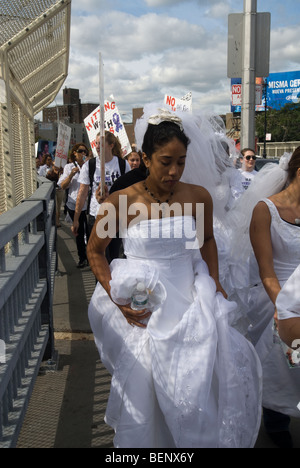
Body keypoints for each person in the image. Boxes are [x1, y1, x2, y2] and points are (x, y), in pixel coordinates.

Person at [86, 105, 262, 448]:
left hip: (190, 299)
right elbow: (95, 251)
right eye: (166, 161)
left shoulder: (197, 197)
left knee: (197, 385)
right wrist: (116, 297)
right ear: (146, 158)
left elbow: (207, 240)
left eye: (180, 161)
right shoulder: (120, 202)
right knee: (148, 388)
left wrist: (215, 283)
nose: (174, 170)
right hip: (145, 308)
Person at [248, 147, 300, 448]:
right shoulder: (265, 210)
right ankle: (276, 418)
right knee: (282, 366)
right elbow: (266, 271)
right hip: (277, 299)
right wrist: (286, 308)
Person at [72, 132, 130, 239]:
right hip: (96, 215)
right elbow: (82, 193)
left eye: (101, 144)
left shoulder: (123, 165)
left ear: (111, 145)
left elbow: (130, 191)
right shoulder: (89, 165)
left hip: (116, 216)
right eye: (96, 143)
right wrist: (76, 219)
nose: (97, 147)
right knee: (96, 253)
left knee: (113, 253)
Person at [58, 143, 90, 268]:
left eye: (85, 151)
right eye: (80, 151)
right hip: (74, 204)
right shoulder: (69, 167)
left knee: (90, 231)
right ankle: (83, 258)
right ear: (74, 153)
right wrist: (71, 174)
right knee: (80, 232)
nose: (83, 154)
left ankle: (90, 256)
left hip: (88, 205)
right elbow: (62, 186)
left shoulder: (89, 166)